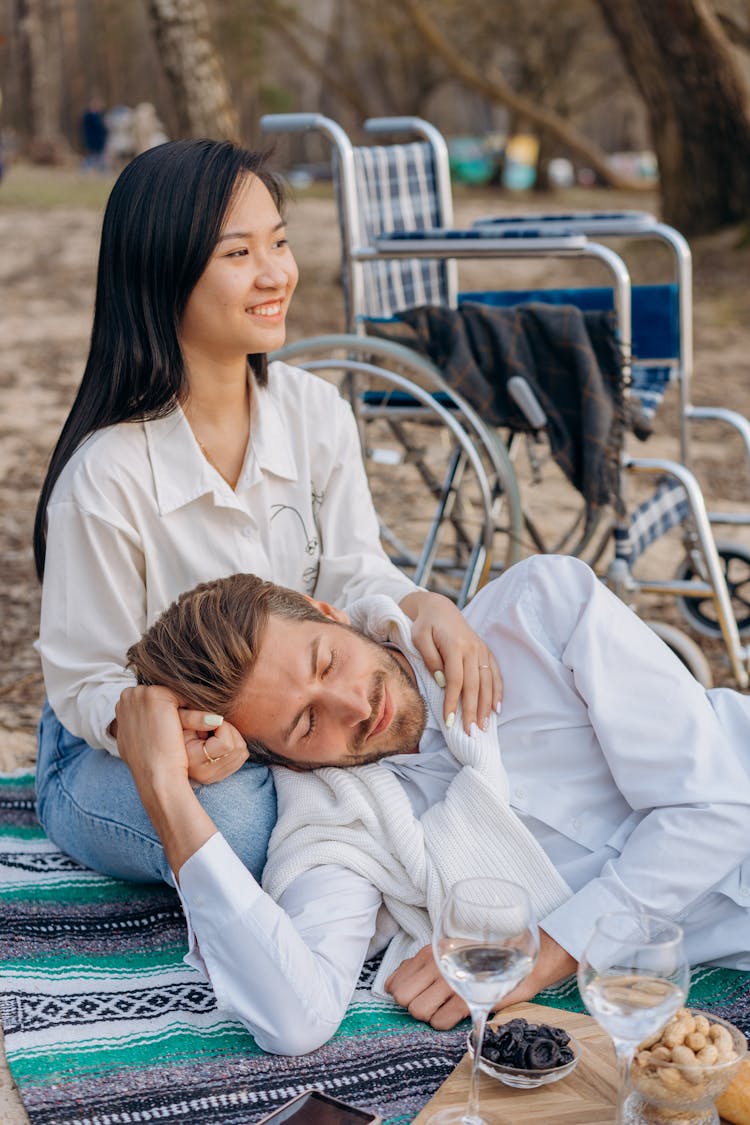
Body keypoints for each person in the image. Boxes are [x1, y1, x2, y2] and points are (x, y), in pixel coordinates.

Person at [33, 138, 501, 889]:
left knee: (438, 729)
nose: (277, 272)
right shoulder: (106, 476)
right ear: (163, 271)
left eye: (278, 243)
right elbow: (89, 682)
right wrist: (189, 737)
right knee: (247, 823)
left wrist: (421, 603)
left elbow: (353, 568)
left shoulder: (314, 411)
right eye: (240, 253)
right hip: (109, 743)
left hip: (277, 727)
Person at [116, 554, 750, 1056]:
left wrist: (548, 949)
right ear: (280, 760)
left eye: (328, 660)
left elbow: (718, 810)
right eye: (308, 725)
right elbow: (294, 1020)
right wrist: (166, 794)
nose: (356, 706)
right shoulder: (341, 823)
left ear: (327, 610)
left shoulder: (539, 611)